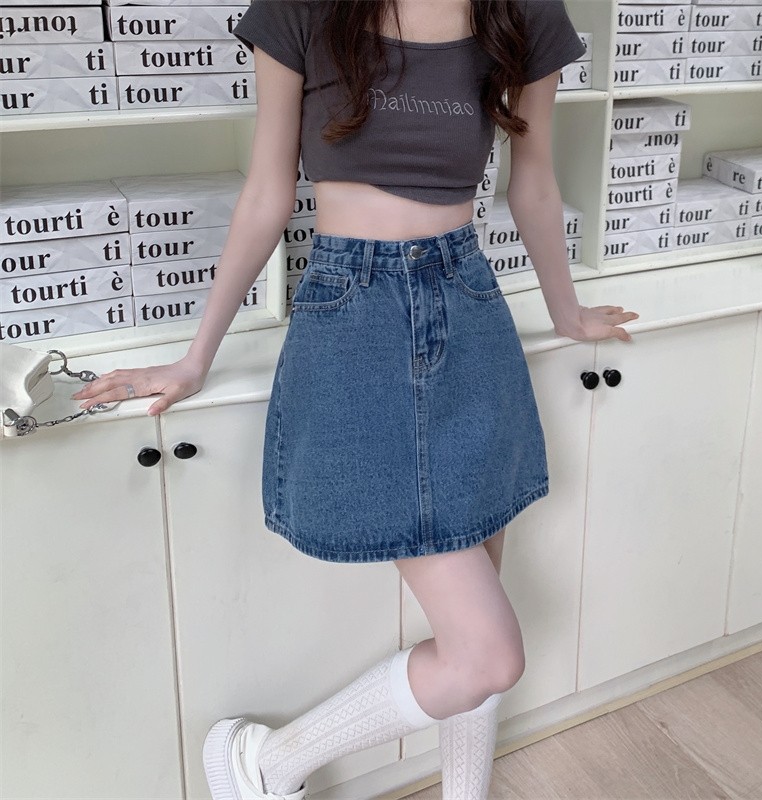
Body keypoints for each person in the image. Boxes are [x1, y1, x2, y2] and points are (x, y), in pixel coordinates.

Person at [73, 1, 639, 798]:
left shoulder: (520, 12)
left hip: (468, 305)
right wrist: (197, 358)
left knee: (480, 584)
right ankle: (267, 764)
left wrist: (567, 311)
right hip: (352, 313)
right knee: (487, 653)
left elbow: (535, 182)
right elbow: (267, 193)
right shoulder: (303, 10)